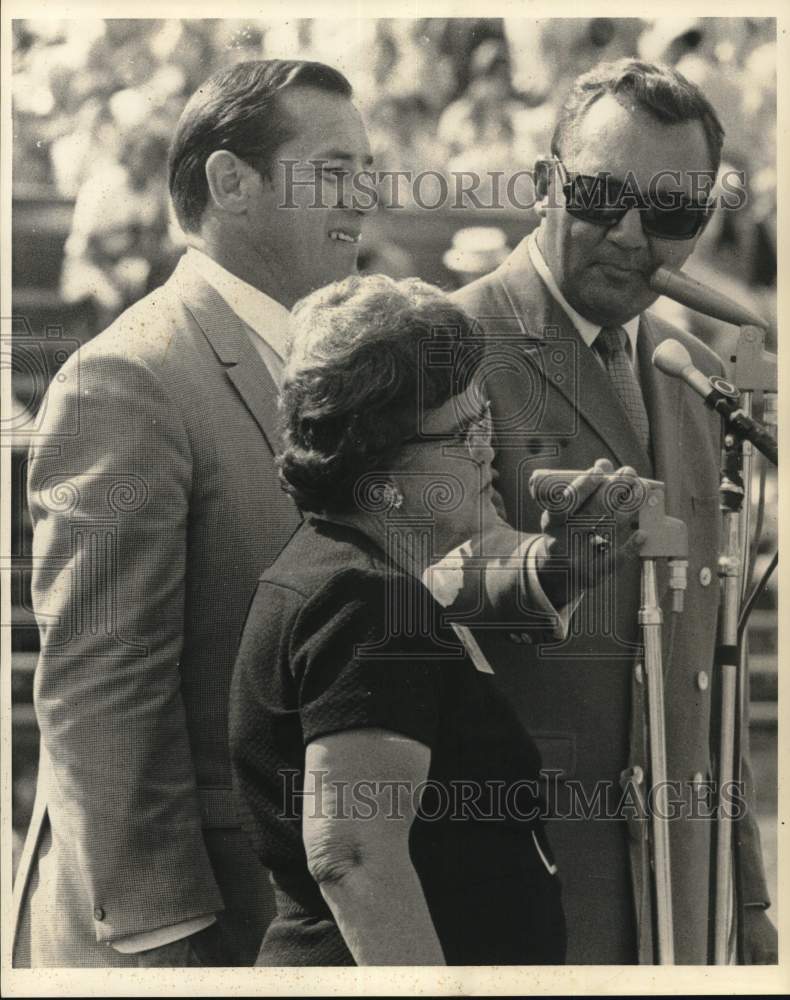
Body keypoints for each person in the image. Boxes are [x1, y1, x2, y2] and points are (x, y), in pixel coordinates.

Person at [12, 58, 372, 968]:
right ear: (229, 182)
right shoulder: (129, 378)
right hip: (188, 931)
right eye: (334, 171)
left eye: (366, 171)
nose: (363, 197)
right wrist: (161, 940)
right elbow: (100, 688)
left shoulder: (312, 360)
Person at [453, 58, 777, 964]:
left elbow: (707, 675)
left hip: (679, 905)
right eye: (599, 195)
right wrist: (556, 563)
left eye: (673, 213)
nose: (632, 236)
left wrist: (745, 899)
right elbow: (426, 586)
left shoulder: (690, 374)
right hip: (522, 899)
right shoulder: (444, 348)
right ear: (541, 183)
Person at [229, 273, 645, 966]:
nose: (488, 450)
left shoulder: (370, 580)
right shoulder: (365, 601)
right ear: (379, 464)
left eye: (487, 422)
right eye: (463, 433)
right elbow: (353, 856)